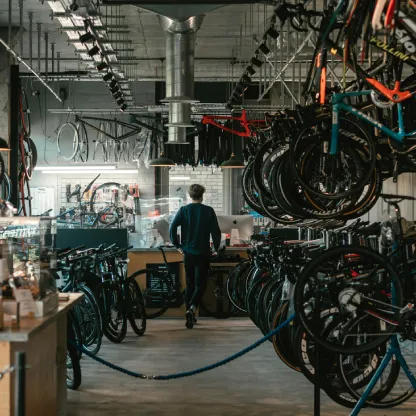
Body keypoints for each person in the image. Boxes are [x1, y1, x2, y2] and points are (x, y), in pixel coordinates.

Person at [169, 184, 221, 329]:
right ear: (202, 195)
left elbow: (172, 228)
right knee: (201, 285)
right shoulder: (208, 211)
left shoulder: (184, 210)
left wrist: (178, 245)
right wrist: (216, 248)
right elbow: (215, 231)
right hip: (203, 254)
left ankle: (189, 312)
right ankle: (192, 309)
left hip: (188, 254)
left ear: (190, 196)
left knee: (190, 284)